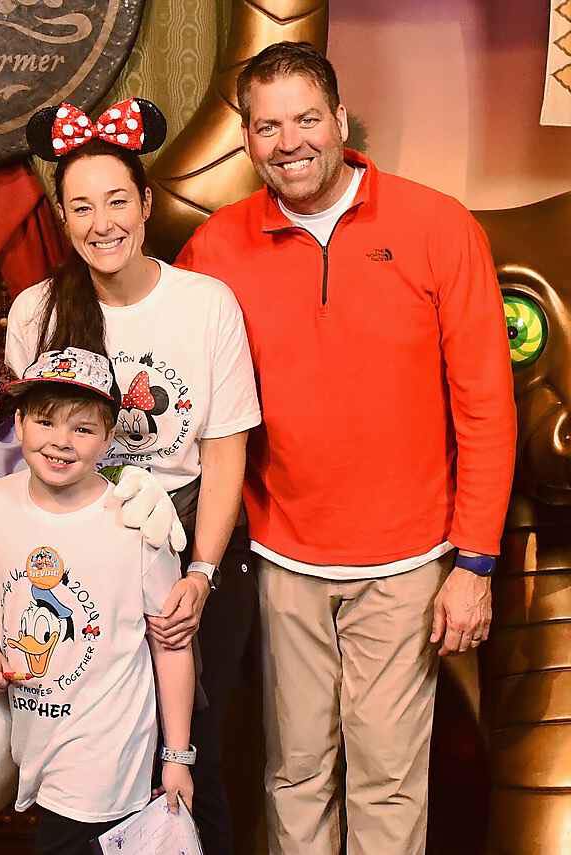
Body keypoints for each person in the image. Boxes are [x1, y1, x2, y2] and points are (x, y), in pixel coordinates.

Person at [175, 41, 517, 855]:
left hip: (408, 561)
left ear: (339, 119)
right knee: (293, 773)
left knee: (388, 778)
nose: (288, 142)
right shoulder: (217, 247)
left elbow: (485, 405)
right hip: (282, 556)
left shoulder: (438, 225)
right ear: (247, 138)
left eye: (305, 119)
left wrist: (474, 563)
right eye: (267, 127)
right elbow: (166, 370)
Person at [5, 97, 261, 853]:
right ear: (62, 217)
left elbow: (225, 450)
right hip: (86, 550)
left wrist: (201, 573)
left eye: (117, 201)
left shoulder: (205, 304)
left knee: (201, 748)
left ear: (146, 205)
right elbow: (28, 453)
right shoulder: (37, 312)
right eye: (81, 207)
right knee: (97, 755)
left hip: (193, 539)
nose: (102, 223)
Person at [0, 346, 196, 855]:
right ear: (19, 423)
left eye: (83, 428)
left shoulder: (136, 521)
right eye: (45, 422)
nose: (61, 441)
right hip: (33, 736)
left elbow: (171, 643)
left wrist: (178, 756)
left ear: (110, 436)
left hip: (107, 747)